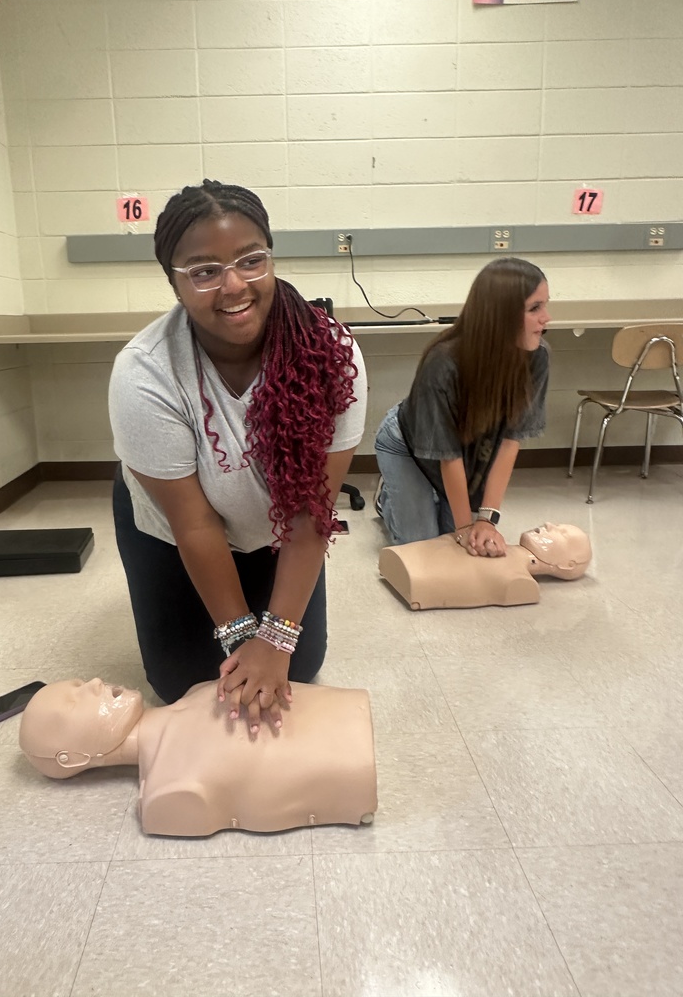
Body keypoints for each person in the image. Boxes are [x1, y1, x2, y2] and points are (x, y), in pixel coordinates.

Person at [108, 180, 367, 731]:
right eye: (203, 270)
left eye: (251, 260)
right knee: (183, 680)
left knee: (302, 662)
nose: (232, 286)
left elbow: (309, 509)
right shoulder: (144, 372)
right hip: (176, 526)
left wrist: (275, 638)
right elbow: (195, 523)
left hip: (279, 524)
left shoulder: (331, 356)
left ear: (270, 258)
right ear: (174, 283)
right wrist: (240, 634)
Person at [19, 678, 378, 837]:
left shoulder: (193, 693)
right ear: (70, 758)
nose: (96, 683)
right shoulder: (168, 790)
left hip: (351, 719)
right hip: (355, 768)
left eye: (80, 682)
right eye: (74, 701)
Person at [374, 257, 550, 551]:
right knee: (424, 545)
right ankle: (389, 498)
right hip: (408, 445)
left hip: (466, 449)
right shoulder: (443, 362)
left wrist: (486, 520)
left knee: (456, 540)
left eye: (545, 305)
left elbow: (510, 442)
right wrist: (466, 526)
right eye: (535, 308)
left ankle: (424, 499)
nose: (547, 318)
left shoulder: (537, 357)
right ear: (501, 315)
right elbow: (448, 456)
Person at [379, 522, 591, 610]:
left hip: (415, 578)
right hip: (408, 560)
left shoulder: (521, 582)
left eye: (561, 533)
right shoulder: (501, 546)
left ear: (567, 565)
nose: (548, 525)